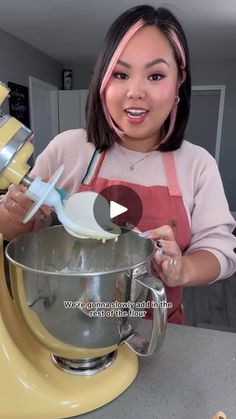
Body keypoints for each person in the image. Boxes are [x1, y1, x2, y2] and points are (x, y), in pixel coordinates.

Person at [0, 5, 236, 324]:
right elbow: (28, 230)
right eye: (120, 74)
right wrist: (14, 217)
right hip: (72, 325)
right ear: (103, 82)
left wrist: (183, 269)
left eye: (155, 75)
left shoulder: (197, 165)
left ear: (179, 81)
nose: (135, 92)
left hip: (157, 331)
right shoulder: (68, 149)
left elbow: (220, 251)